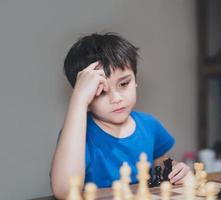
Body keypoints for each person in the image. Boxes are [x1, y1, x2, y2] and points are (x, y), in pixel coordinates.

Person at [50, 32, 190, 199]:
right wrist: (78, 101)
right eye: (101, 91)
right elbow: (64, 191)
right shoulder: (77, 133)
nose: (116, 98)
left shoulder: (150, 125)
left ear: (136, 80)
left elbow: (159, 163)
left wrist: (176, 169)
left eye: (124, 83)